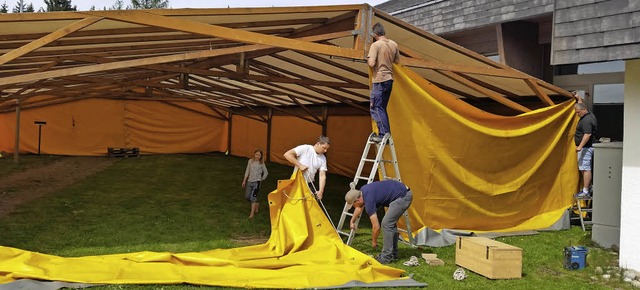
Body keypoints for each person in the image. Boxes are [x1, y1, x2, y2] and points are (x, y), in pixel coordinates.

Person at [345, 180, 413, 264]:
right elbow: (359, 207)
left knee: (386, 224)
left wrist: (374, 241)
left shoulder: (368, 200)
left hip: (403, 196)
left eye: (353, 205)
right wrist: (352, 221)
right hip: (402, 192)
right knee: (390, 224)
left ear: (357, 200)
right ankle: (393, 254)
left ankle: (385, 258)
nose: (353, 207)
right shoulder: (363, 191)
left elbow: (376, 227)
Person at [367, 22, 400, 142]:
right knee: (382, 108)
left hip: (379, 79)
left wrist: (370, 58)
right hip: (389, 79)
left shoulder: (376, 45)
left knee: (375, 107)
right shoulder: (393, 44)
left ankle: (383, 135)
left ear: (374, 34)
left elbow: (371, 63)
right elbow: (397, 61)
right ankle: (385, 134)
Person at [573, 92, 597, 198]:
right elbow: (581, 105)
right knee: (584, 167)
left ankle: (586, 190)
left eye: (578, 112)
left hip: (586, 148)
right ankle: (588, 187)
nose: (577, 114)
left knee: (585, 168)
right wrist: (578, 99)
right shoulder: (589, 114)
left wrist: (580, 147)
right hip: (587, 147)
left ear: (583, 110)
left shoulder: (586, 121)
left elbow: (587, 134)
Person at [242, 149, 268, 218]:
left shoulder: (261, 163)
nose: (257, 156)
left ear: (261, 156)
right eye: (256, 154)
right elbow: (247, 171)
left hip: (257, 183)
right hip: (249, 181)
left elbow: (266, 172)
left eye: (259, 155)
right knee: (247, 197)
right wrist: (244, 180)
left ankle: (252, 214)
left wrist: (261, 179)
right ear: (254, 154)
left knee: (253, 197)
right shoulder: (250, 161)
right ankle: (256, 204)